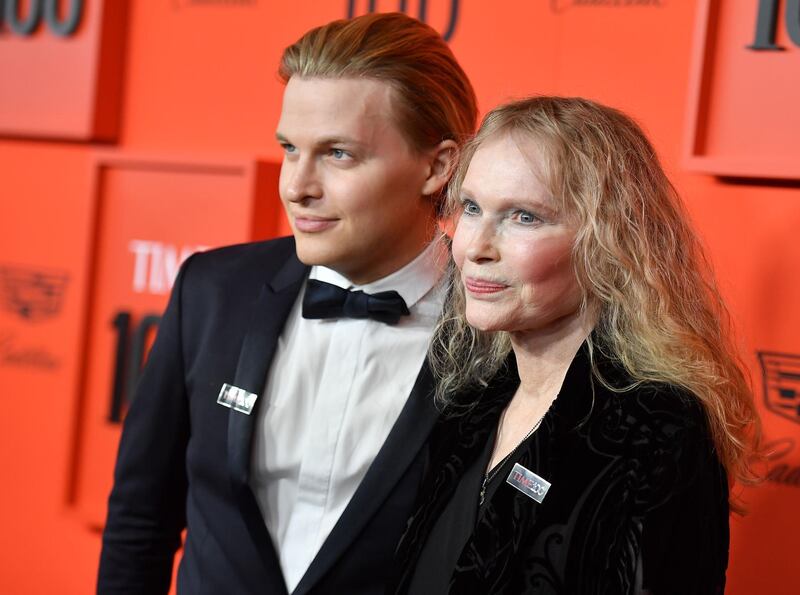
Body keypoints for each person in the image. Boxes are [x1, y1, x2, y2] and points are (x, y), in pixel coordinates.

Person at [97, 12, 477, 595]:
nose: (297, 185)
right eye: (289, 148)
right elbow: (140, 522)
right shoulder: (212, 291)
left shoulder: (498, 333)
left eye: (338, 155)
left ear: (438, 166)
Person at [392, 97, 761, 594]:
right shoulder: (471, 398)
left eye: (524, 217)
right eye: (472, 208)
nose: (475, 246)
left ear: (608, 242)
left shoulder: (654, 427)